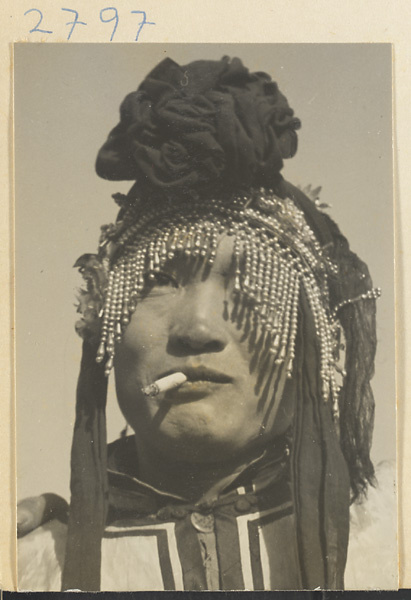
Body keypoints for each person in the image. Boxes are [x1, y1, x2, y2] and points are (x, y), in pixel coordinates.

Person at [17, 56, 380, 591]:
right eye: (160, 281)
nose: (198, 327)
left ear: (318, 341)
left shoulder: (393, 536)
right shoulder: (30, 568)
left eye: (252, 283)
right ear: (102, 327)